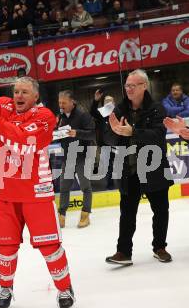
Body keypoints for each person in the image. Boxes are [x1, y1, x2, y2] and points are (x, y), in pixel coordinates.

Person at [0, 77, 75, 308]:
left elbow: (21, 137)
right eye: (16, 91)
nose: (19, 96)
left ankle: (65, 288)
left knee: (50, 247)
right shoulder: (3, 106)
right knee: (5, 248)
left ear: (35, 96)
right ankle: (5, 288)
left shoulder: (44, 117)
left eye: (25, 92)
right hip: (5, 192)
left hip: (36, 192)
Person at [105, 69, 173, 266]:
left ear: (144, 86)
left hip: (154, 168)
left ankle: (160, 247)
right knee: (127, 213)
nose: (129, 89)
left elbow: (158, 135)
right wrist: (116, 132)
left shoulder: (157, 109)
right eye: (127, 85)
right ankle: (123, 252)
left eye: (133, 85)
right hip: (129, 170)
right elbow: (107, 136)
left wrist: (132, 132)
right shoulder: (119, 109)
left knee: (161, 210)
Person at [57, 90, 95, 228]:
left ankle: (85, 215)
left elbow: (92, 134)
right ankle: (61, 216)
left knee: (85, 186)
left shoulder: (83, 115)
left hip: (83, 155)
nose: (61, 105)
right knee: (64, 187)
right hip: (68, 156)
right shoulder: (60, 116)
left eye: (64, 102)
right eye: (59, 102)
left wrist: (77, 133)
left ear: (72, 102)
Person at [90, 89, 116, 189]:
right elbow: (92, 111)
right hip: (104, 144)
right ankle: (110, 184)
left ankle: (124, 183)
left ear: (114, 103)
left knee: (122, 164)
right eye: (106, 101)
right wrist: (96, 100)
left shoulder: (118, 112)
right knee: (108, 166)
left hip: (118, 143)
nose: (108, 103)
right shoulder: (101, 114)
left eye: (110, 101)